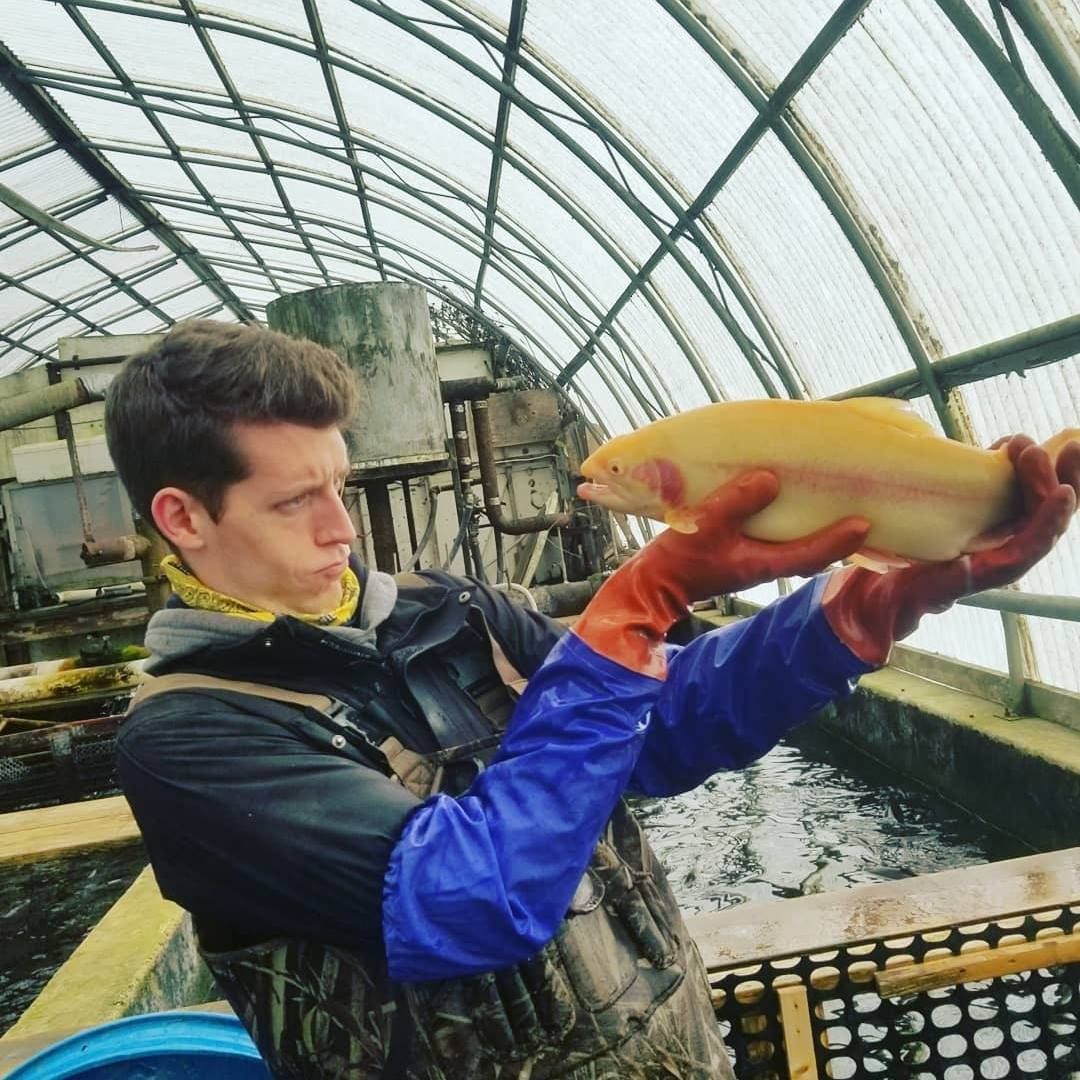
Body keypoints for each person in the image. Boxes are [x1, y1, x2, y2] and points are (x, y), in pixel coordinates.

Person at [105, 319, 1079, 1080]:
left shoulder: (451, 615)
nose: (339, 529)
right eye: (292, 502)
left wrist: (870, 601)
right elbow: (476, 896)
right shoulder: (193, 740)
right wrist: (637, 601)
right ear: (182, 517)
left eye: (339, 487)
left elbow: (650, 726)